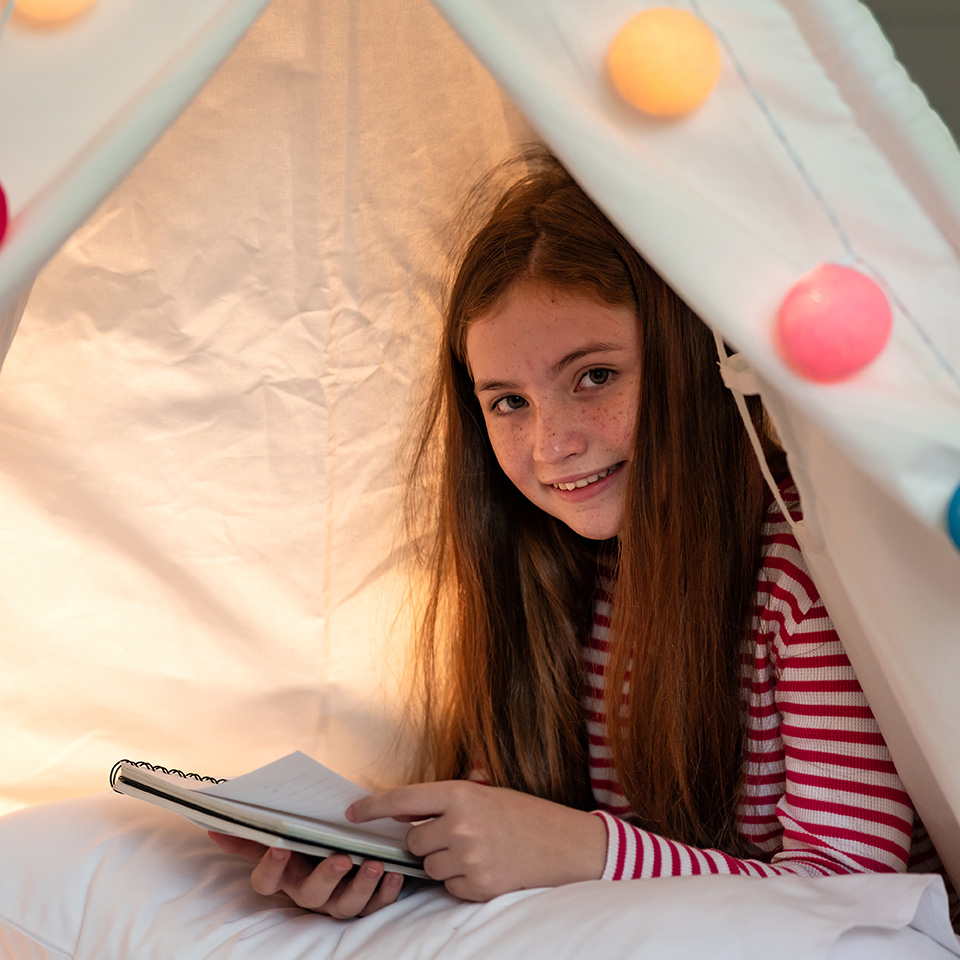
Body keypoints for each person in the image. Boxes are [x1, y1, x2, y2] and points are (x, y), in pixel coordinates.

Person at [210, 150, 949, 920]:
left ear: (689, 364)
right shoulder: (548, 568)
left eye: (594, 376)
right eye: (507, 403)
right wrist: (392, 860)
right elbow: (513, 827)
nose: (551, 443)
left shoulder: (800, 568)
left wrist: (583, 851)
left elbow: (854, 894)